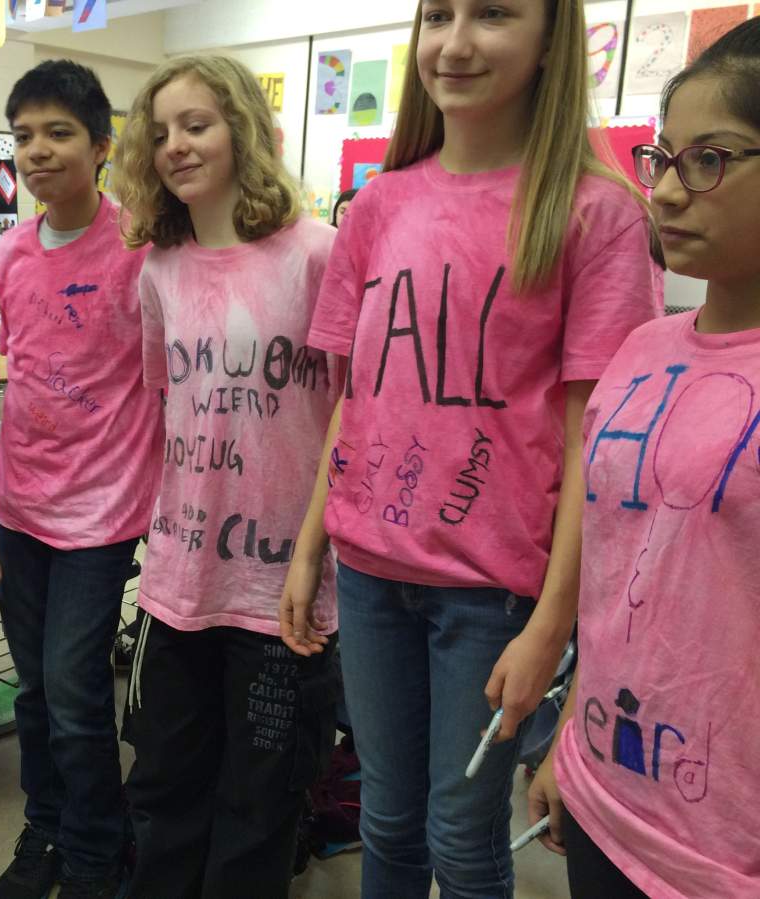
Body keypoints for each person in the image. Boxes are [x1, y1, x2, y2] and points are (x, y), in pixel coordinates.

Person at [281, 0, 661, 895]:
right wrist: (310, 548)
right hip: (371, 572)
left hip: (493, 595)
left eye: (492, 14)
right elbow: (355, 398)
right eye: (438, 15)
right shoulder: (378, 203)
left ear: (548, 41)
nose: (455, 43)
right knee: (387, 818)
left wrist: (552, 626)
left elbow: (594, 445)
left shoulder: (594, 214)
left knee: (460, 836)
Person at [528, 18, 760, 898]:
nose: (664, 192)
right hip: (605, 794)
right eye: (663, 158)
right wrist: (568, 743)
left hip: (720, 857)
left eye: (711, 159)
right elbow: (632, 577)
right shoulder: (641, 349)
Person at [115, 55, 341, 899]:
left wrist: (316, 557)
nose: (176, 145)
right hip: (179, 581)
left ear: (242, 129)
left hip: (281, 585)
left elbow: (351, 419)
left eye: (198, 124)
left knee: (261, 803)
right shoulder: (160, 270)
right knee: (168, 787)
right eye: (162, 130)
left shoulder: (317, 254)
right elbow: (168, 409)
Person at [0, 60, 162, 899]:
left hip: (102, 510)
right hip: (20, 502)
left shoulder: (139, 246)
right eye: (23, 135)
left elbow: (162, 379)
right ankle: (46, 823)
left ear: (101, 146)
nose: (38, 151)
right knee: (31, 688)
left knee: (75, 688)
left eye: (59, 133)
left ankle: (97, 844)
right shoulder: (12, 249)